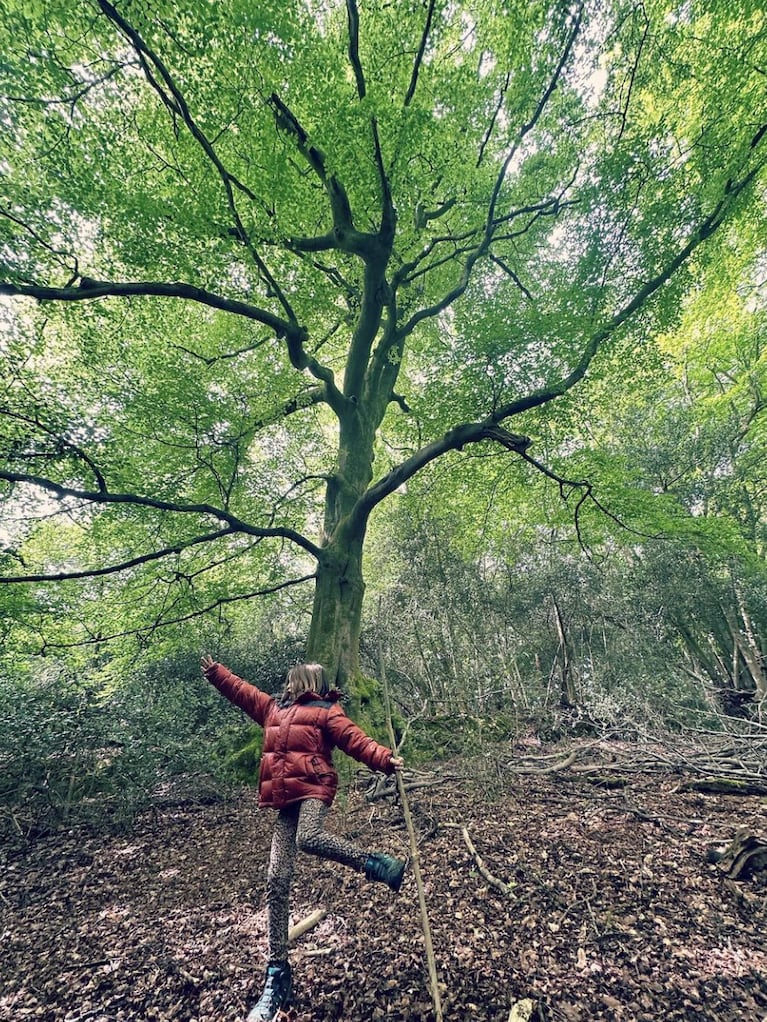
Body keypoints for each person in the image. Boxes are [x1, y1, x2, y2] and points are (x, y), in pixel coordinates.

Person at [201, 654, 406, 1022]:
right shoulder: (272, 709)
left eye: (297, 680)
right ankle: (277, 976)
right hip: (285, 799)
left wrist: (384, 759)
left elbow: (354, 740)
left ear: (309, 684)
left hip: (314, 787)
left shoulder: (327, 711)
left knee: (308, 838)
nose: (292, 684)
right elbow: (242, 692)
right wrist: (217, 673)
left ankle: (375, 863)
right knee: (276, 880)